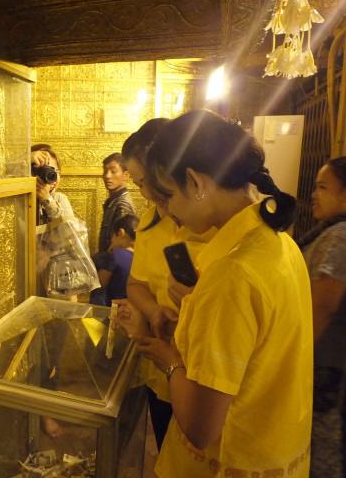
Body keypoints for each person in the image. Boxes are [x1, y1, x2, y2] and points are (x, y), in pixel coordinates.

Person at [119, 110, 313, 477]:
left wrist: (170, 360)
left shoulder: (232, 273)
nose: (168, 212)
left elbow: (199, 427)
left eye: (167, 196)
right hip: (276, 448)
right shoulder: (280, 243)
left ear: (194, 182)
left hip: (229, 460)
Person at [121, 118, 215, 450]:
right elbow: (136, 283)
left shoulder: (213, 222)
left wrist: (194, 300)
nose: (146, 193)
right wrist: (153, 311)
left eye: (148, 181)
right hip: (163, 367)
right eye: (138, 184)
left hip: (207, 377)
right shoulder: (150, 221)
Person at [298, 156, 346, 478]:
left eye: (322, 187)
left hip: (327, 376)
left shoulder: (344, 234)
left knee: (324, 459)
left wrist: (292, 361)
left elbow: (322, 306)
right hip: (337, 372)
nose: (314, 194)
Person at [95, 214, 138, 306]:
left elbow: (100, 283)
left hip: (117, 309)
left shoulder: (116, 255)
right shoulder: (143, 256)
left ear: (120, 233)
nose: (111, 241)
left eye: (112, 236)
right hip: (137, 307)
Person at [98, 152, 136, 253]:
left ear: (126, 175)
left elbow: (122, 244)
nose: (107, 176)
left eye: (113, 171)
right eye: (105, 171)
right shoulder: (113, 201)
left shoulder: (122, 204)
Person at [31, 144, 75, 225]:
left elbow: (71, 229)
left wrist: (47, 200)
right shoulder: (21, 200)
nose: (52, 176)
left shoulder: (59, 198)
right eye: (45, 170)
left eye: (55, 171)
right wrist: (26, 159)